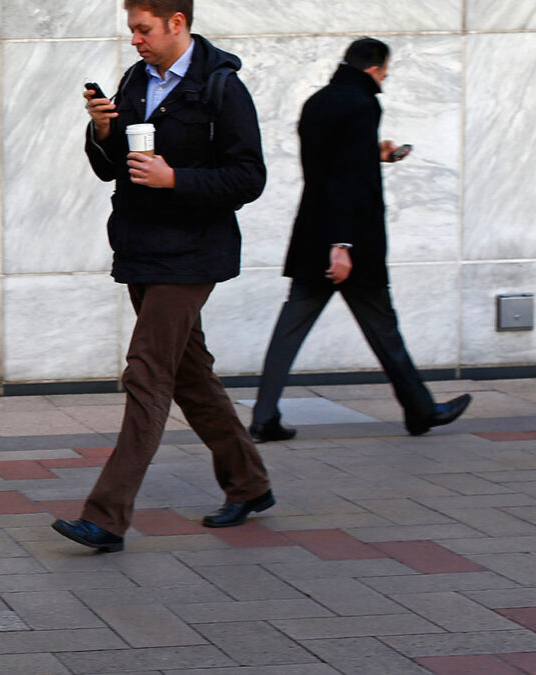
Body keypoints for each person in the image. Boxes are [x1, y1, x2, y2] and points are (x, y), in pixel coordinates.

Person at [51, 0, 274, 553]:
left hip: (193, 253)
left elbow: (249, 177)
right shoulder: (134, 81)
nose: (135, 40)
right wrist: (102, 131)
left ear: (178, 23)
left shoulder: (222, 87)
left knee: (147, 373)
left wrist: (176, 179)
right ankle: (249, 483)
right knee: (191, 375)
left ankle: (106, 517)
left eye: (143, 29)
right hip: (141, 247)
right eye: (131, 30)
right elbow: (112, 166)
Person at [248, 37, 471, 444]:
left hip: (313, 232)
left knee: (290, 330)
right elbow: (345, 178)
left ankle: (264, 416)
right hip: (350, 242)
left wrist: (375, 153)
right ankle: (421, 410)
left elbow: (331, 165)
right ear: (373, 68)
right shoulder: (363, 103)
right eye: (385, 71)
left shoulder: (318, 102)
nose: (386, 78)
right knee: (383, 328)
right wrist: (343, 245)